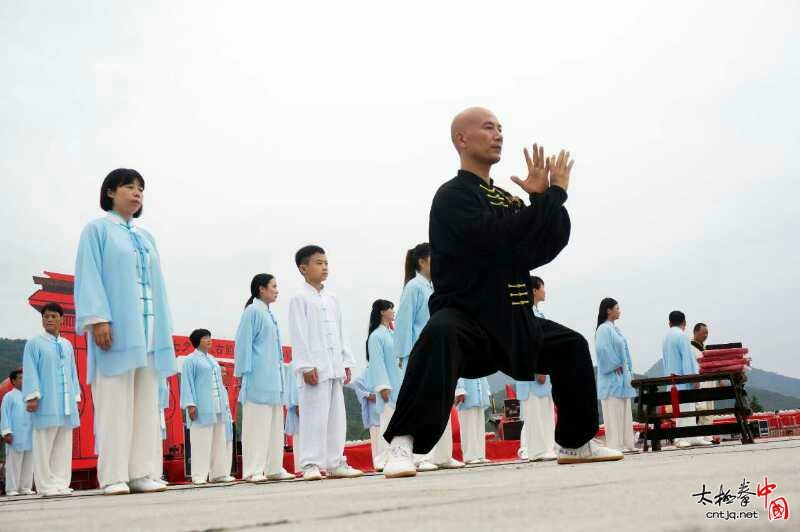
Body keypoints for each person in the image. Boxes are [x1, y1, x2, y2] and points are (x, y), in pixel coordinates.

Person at [383, 107, 622, 478]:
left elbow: (543, 246)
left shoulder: (508, 199)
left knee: (570, 345)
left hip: (515, 318)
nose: (498, 135)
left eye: (500, 129)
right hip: (469, 317)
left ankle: (575, 443)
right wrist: (546, 199)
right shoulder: (451, 197)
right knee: (439, 333)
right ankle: (403, 442)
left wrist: (549, 199)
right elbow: (497, 238)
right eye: (488, 127)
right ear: (461, 139)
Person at [74, 168, 176, 495]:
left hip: (149, 333)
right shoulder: (97, 231)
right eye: (129, 187)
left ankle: (142, 472)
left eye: (141, 189)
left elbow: (157, 286)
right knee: (115, 403)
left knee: (146, 405)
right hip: (116, 331)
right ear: (110, 193)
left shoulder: (146, 238)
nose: (137, 193)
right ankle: (114, 475)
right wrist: (98, 319)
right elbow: (88, 274)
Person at [288, 245, 363, 480]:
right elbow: (298, 334)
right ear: (303, 268)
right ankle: (310, 464)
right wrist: (306, 365)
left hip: (334, 367)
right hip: (314, 369)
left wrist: (346, 361)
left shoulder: (332, 299)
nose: (324, 267)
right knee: (313, 417)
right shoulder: (299, 298)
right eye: (319, 263)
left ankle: (335, 462)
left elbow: (341, 331)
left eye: (326, 263)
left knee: (336, 417)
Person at [394, 243, 463, 471]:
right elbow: (404, 322)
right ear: (422, 262)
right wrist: (404, 355)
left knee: (441, 400)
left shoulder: (435, 287)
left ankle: (442, 454)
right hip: (421, 352)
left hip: (440, 350)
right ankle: (420, 456)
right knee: (423, 403)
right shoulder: (414, 287)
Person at [234, 274, 294, 482]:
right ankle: (253, 470)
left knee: (274, 427)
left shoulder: (269, 314)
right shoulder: (252, 312)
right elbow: (243, 345)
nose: (277, 290)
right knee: (256, 427)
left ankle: (273, 467)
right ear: (261, 289)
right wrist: (241, 374)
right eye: (274, 286)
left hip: (274, 382)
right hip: (257, 379)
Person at [22, 303, 81, 497]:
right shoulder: (34, 344)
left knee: (63, 444)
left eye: (53, 316)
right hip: (46, 403)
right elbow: (30, 372)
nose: (49, 319)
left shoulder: (67, 345)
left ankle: (61, 483)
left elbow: (72, 372)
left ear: (61, 319)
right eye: (46, 316)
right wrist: (32, 397)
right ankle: (46, 486)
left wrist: (76, 397)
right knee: (43, 445)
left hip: (65, 404)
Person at [180, 329, 235, 485]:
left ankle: (219, 473)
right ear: (198, 341)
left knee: (218, 440)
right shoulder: (191, 360)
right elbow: (187, 383)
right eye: (205, 338)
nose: (210, 340)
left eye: (210, 337)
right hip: (202, 407)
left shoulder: (212, 360)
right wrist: (190, 405)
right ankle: (198, 475)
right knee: (201, 442)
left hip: (218, 406)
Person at [516, 276, 556, 462]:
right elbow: (527, 345)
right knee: (534, 414)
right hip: (532, 375)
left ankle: (547, 447)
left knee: (545, 413)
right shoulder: (524, 313)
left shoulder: (539, 314)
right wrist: (538, 368)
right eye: (543, 287)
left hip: (544, 374)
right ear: (533, 290)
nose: (545, 291)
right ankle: (536, 450)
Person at [661, 311, 712, 448]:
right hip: (683, 379)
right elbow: (688, 360)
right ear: (684, 323)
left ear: (669, 323)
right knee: (687, 409)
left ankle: (692, 436)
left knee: (683, 410)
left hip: (672, 379)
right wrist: (694, 378)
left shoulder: (666, 337)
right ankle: (681, 437)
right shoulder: (682, 336)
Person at [595, 298, 638, 453]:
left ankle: (627, 444)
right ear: (608, 310)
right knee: (614, 414)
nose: (619, 311)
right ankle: (615, 445)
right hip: (611, 380)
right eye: (617, 308)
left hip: (622, 380)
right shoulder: (603, 329)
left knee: (624, 413)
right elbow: (602, 350)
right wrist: (614, 364)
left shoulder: (615, 329)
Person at [365, 299, 400, 471]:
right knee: (387, 422)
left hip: (399, 384)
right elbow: (377, 363)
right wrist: (382, 386)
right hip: (387, 387)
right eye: (390, 308)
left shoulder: (391, 334)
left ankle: (396, 456)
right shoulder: (376, 336)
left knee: (397, 422)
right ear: (381, 312)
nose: (393, 311)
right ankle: (382, 458)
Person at [1, 369, 34, 496]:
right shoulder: (9, 397)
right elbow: (5, 415)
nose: (23, 380)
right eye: (20, 378)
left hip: (29, 434)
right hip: (14, 436)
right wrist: (6, 432)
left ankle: (25, 487)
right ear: (13, 381)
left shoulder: (30, 396)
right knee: (14, 463)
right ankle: (11, 489)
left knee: (28, 462)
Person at [349, 368, 381, 469]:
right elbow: (357, 383)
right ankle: (378, 463)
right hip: (374, 412)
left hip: (387, 410)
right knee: (376, 439)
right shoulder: (368, 372)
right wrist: (367, 395)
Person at [455, 377, 492, 464]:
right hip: (467, 394)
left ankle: (480, 455)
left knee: (479, 427)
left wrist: (486, 390)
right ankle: (469, 456)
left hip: (480, 394)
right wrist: (459, 390)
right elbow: (459, 373)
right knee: (468, 427)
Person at [690, 323, 715, 436]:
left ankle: (708, 435)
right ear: (695, 332)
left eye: (707, 333)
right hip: (699, 383)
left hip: (709, 384)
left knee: (709, 411)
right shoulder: (690, 348)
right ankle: (700, 435)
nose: (706, 335)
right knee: (701, 408)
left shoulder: (704, 348)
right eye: (703, 333)